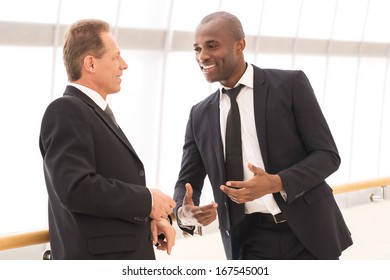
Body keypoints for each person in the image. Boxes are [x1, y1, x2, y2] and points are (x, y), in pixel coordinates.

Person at [173, 11, 352, 260]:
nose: (202, 56)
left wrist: (278, 182)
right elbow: (187, 181)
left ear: (240, 45)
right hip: (247, 243)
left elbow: (327, 156)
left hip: (307, 234)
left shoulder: (290, 85)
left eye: (212, 46)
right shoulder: (199, 114)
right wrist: (185, 212)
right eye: (197, 49)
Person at [39, 19, 176, 260]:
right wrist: (147, 200)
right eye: (115, 58)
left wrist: (148, 220)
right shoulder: (66, 110)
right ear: (90, 63)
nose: (124, 65)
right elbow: (76, 189)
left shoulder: (92, 112)